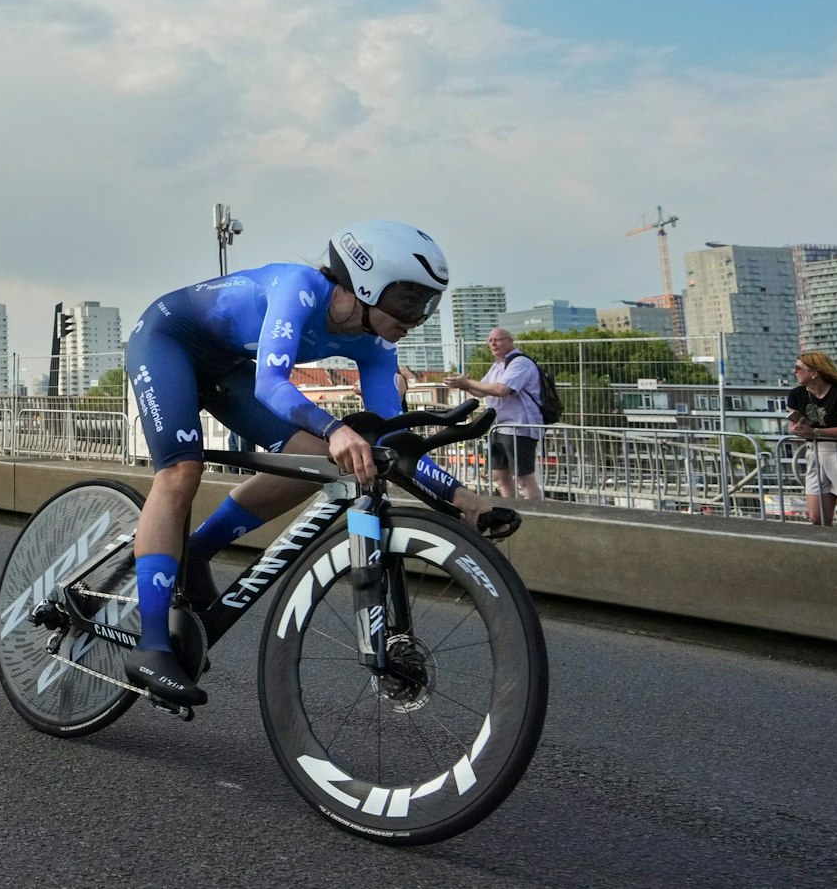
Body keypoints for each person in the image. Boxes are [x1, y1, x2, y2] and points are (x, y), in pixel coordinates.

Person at [118, 220, 504, 710]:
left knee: (322, 462)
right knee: (181, 471)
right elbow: (270, 385)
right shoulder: (298, 289)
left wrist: (461, 499)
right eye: (410, 300)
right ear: (366, 282)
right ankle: (151, 644)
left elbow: (388, 441)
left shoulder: (376, 343)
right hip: (167, 339)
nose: (419, 316)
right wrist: (335, 427)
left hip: (224, 365)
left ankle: (195, 552)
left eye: (429, 303)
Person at [445, 328, 544, 501]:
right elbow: (483, 391)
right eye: (490, 341)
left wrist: (468, 381)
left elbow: (501, 389)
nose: (493, 344)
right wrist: (465, 385)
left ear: (510, 341)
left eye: (497, 339)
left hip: (518, 428)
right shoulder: (498, 365)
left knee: (524, 478)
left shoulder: (520, 363)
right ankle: (510, 509)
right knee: (499, 475)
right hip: (499, 428)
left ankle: (536, 514)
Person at [788, 351, 837, 527]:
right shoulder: (797, 394)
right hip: (813, 453)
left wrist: (815, 432)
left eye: (799, 368)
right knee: (817, 518)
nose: (795, 372)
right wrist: (798, 429)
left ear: (814, 372)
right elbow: (792, 426)